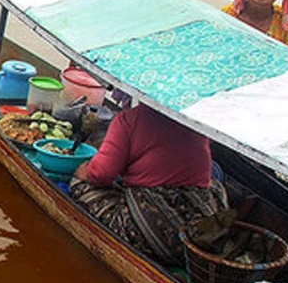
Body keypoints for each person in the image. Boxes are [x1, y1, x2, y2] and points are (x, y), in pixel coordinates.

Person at [69, 102, 225, 265]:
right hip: (202, 233)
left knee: (80, 184)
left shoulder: (129, 120)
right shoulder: (195, 122)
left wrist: (84, 170)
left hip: (160, 233)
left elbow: (101, 174)